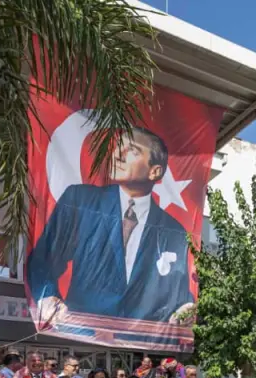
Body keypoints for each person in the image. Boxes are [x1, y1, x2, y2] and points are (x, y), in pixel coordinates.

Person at [29, 127, 193, 327]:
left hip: (140, 339)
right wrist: (47, 296)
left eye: (132, 150)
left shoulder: (173, 230)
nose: (117, 155)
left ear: (155, 171)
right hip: (80, 330)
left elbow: (178, 290)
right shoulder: (80, 201)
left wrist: (185, 307)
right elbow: (44, 258)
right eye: (117, 147)